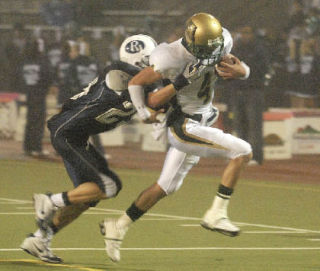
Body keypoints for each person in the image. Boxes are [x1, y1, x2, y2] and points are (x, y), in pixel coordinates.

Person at [100, 12, 252, 262]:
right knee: (243, 151)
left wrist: (242, 71)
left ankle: (119, 226)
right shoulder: (170, 56)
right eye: (204, 47)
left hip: (202, 118)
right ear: (191, 40)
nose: (209, 51)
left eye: (212, 46)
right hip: (184, 125)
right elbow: (137, 83)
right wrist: (142, 112)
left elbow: (237, 67)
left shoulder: (221, 40)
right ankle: (217, 213)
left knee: (166, 186)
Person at [20, 34, 159, 263]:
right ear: (140, 60)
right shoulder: (117, 72)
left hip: (76, 136)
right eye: (150, 59)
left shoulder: (141, 86)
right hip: (67, 133)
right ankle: (49, 200)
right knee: (109, 186)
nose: (156, 64)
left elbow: (153, 103)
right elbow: (138, 78)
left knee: (86, 196)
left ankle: (39, 239)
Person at [230, 26, 270, 165]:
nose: (244, 35)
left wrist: (244, 70)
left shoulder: (259, 49)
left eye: (247, 32)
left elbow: (263, 68)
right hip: (238, 90)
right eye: (243, 32)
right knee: (240, 125)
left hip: (254, 91)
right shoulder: (236, 49)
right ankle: (243, 155)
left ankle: (256, 157)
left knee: (254, 126)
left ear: (253, 34)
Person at [18, 39, 51, 157]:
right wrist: (45, 91)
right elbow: (47, 77)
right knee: (38, 122)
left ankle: (27, 147)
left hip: (28, 95)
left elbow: (20, 77)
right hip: (39, 95)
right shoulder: (41, 61)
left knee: (30, 121)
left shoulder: (25, 61)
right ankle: (37, 148)